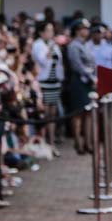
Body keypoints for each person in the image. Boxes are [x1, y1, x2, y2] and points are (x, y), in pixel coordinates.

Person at [31, 21, 64, 154]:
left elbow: (59, 63)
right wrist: (51, 48)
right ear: (41, 32)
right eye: (48, 30)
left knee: (53, 113)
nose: (51, 33)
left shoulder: (53, 45)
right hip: (43, 82)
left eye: (52, 30)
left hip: (54, 82)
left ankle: (51, 142)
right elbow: (43, 61)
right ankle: (44, 142)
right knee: (44, 114)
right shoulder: (37, 45)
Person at [67, 19, 97, 154]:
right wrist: (91, 76)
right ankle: (78, 142)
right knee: (78, 114)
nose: (85, 31)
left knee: (89, 113)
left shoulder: (86, 45)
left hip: (88, 81)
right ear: (77, 31)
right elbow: (77, 65)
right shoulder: (74, 45)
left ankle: (88, 142)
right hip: (79, 81)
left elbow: (92, 63)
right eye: (82, 29)